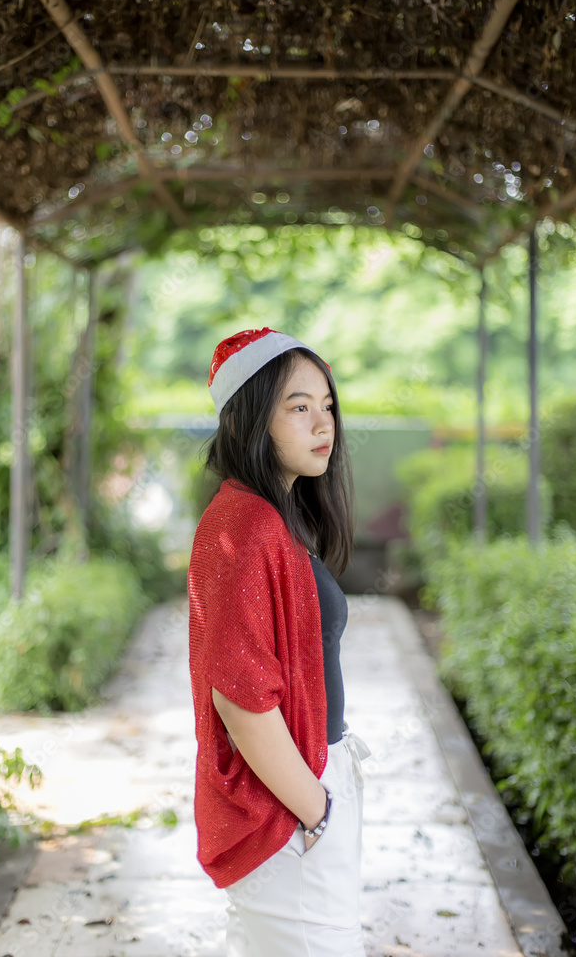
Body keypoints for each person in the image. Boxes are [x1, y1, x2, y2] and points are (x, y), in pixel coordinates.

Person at [188, 327, 371, 956]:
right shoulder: (246, 527)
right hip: (288, 812)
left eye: (327, 407)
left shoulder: (273, 518)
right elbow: (240, 700)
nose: (323, 424)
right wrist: (317, 808)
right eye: (298, 407)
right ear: (250, 421)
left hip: (303, 797)